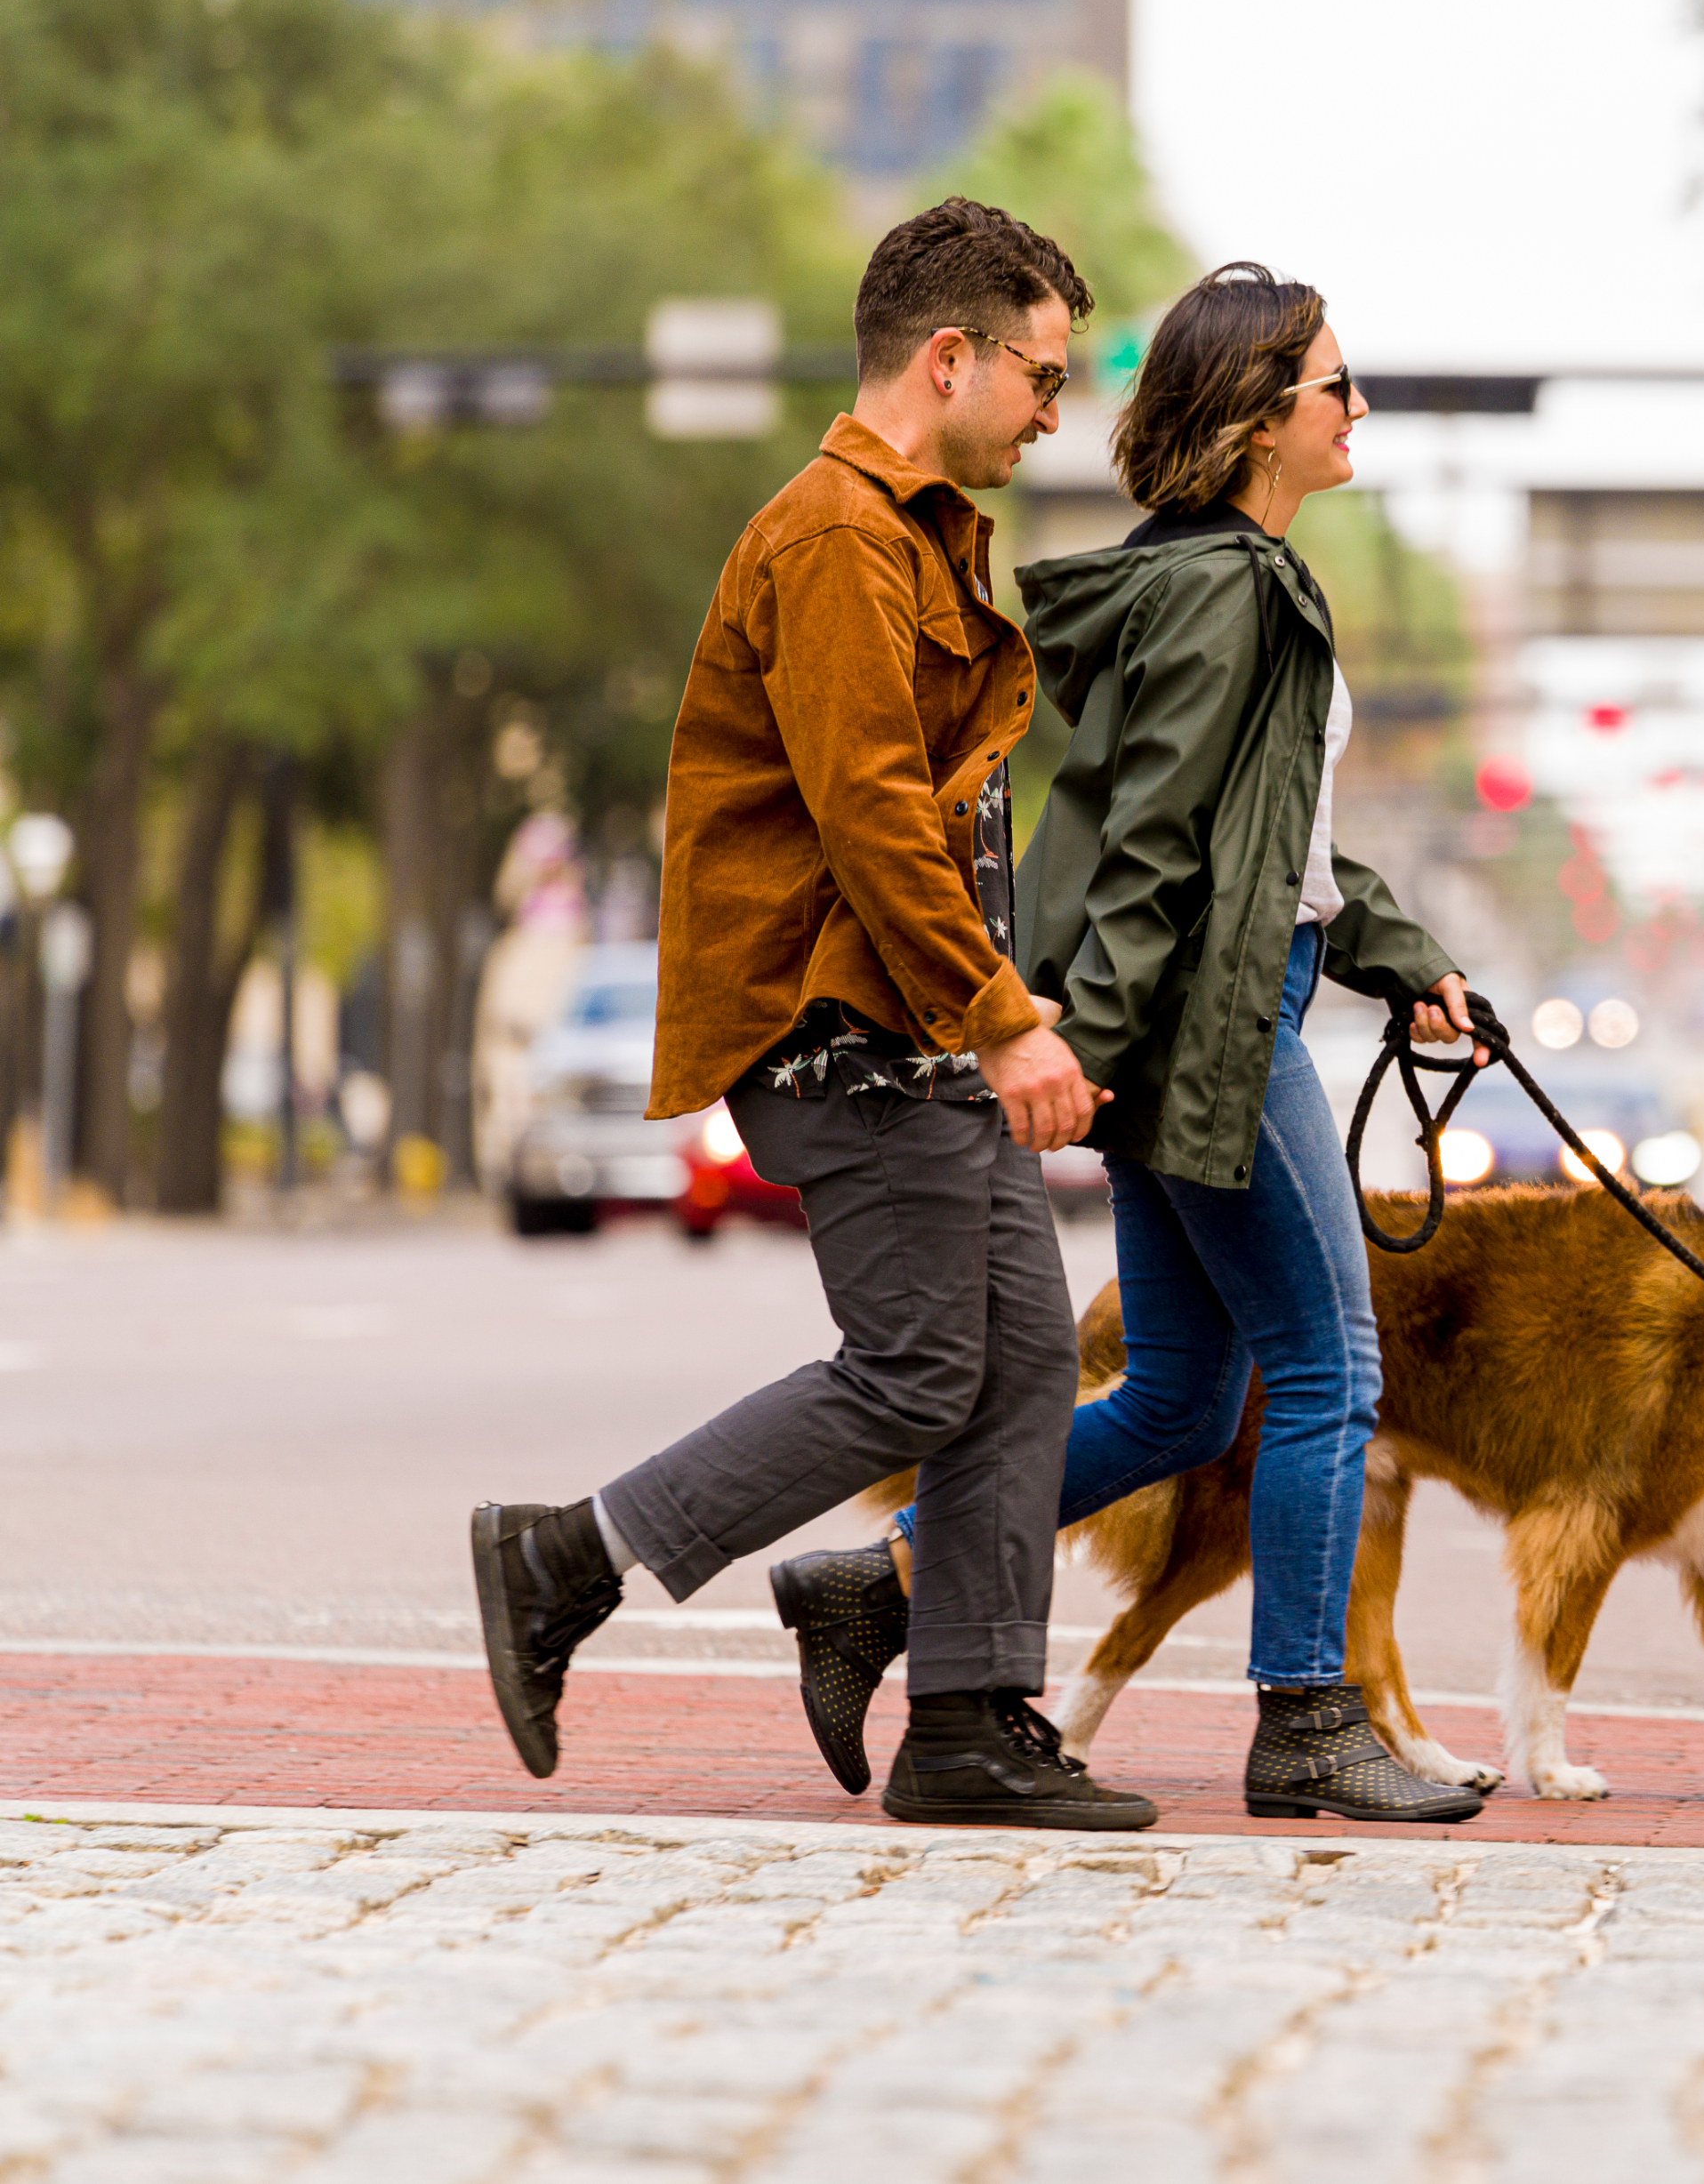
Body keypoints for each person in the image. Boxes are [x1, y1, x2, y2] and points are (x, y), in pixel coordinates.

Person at [768, 261, 1491, 1824]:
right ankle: (1308, 1719)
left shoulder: (1194, 578)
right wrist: (1084, 1045)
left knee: (1176, 1394)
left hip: (1197, 1005)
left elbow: (1271, 847)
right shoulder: (1237, 591)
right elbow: (1157, 847)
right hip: (1214, 1021)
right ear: (1258, 420)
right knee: (1332, 1368)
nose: (1358, 409)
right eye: (1337, 388)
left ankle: (880, 1584)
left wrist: (1407, 960)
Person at [469, 198, 1155, 1832]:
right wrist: (1002, 1016)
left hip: (918, 1029)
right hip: (849, 1032)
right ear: (950, 358)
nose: (1053, 412)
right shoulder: (838, 538)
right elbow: (869, 815)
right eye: (1042, 376)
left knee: (1021, 1371)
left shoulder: (915, 531)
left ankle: (969, 1719)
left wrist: (989, 1012)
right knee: (920, 1369)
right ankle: (569, 1557)